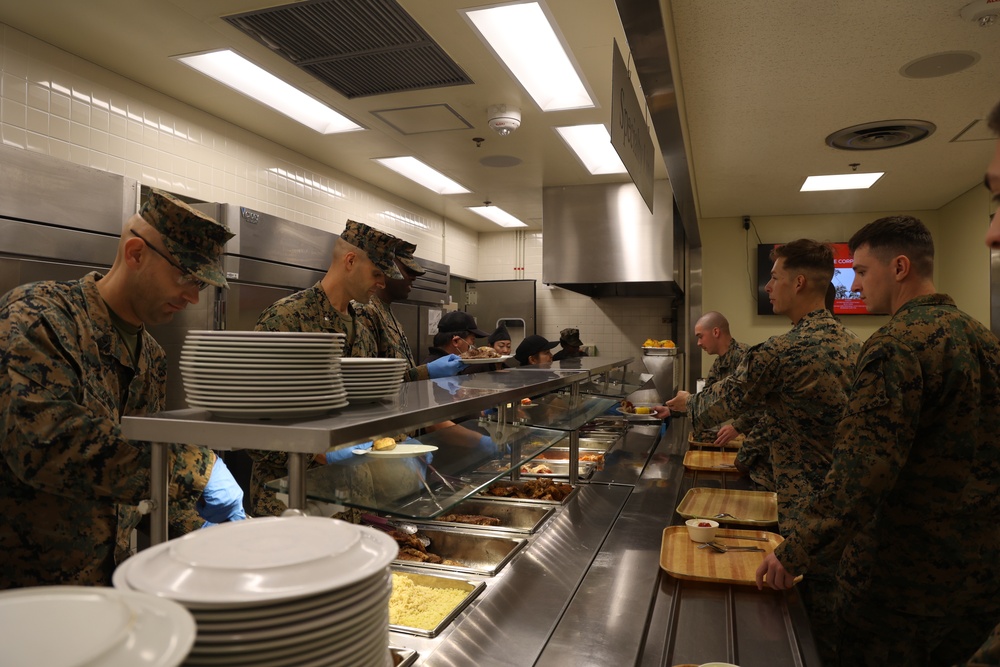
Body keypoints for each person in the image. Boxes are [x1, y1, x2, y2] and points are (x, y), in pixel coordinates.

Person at [755, 217, 1000, 667]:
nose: (853, 282)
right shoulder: (986, 340)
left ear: (900, 267)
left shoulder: (895, 345)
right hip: (978, 585)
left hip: (899, 587)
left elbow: (861, 472)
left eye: (863, 271)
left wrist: (795, 551)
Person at [0, 189, 246, 588]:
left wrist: (201, 525)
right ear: (135, 253)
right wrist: (193, 470)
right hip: (26, 594)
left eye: (201, 284)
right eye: (185, 276)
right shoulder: (40, 318)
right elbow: (44, 443)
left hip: (108, 583)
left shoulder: (150, 355)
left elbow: (136, 467)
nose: (192, 297)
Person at [657, 239, 860, 663]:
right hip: (844, 511)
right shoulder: (854, 346)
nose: (768, 286)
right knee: (833, 626)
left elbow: (717, 406)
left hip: (802, 513)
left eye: (774, 277)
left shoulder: (781, 351)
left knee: (804, 629)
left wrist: (685, 403)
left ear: (799, 282)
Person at [248, 219, 410, 517]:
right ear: (350, 261)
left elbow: (366, 404)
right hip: (293, 499)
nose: (382, 284)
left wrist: (396, 440)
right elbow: (254, 422)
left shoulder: (362, 324)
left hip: (351, 500)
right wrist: (321, 452)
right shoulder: (287, 319)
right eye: (377, 273)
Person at [360, 239, 465, 382]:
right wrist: (426, 372)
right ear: (385, 269)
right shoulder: (365, 311)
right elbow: (368, 380)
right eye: (408, 271)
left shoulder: (386, 312)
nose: (414, 278)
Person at [691, 311, 771, 490]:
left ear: (716, 332)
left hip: (763, 445)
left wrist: (738, 426)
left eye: (700, 336)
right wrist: (674, 409)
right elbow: (706, 400)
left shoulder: (745, 358)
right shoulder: (720, 363)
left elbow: (765, 405)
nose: (698, 343)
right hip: (749, 442)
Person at [423, 311, 490, 371]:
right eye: (472, 339)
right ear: (456, 341)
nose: (473, 344)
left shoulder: (456, 365)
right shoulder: (435, 369)